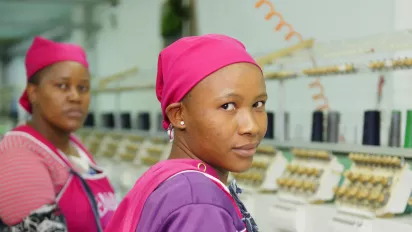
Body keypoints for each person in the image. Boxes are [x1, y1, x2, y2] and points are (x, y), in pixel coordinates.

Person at [105, 34, 267, 232]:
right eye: (228, 106)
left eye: (258, 104)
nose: (251, 127)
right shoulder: (199, 203)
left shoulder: (169, 181)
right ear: (178, 115)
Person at [0, 37, 117, 232]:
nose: (75, 97)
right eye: (62, 86)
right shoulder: (18, 153)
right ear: (33, 92)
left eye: (83, 88)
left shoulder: (75, 146)